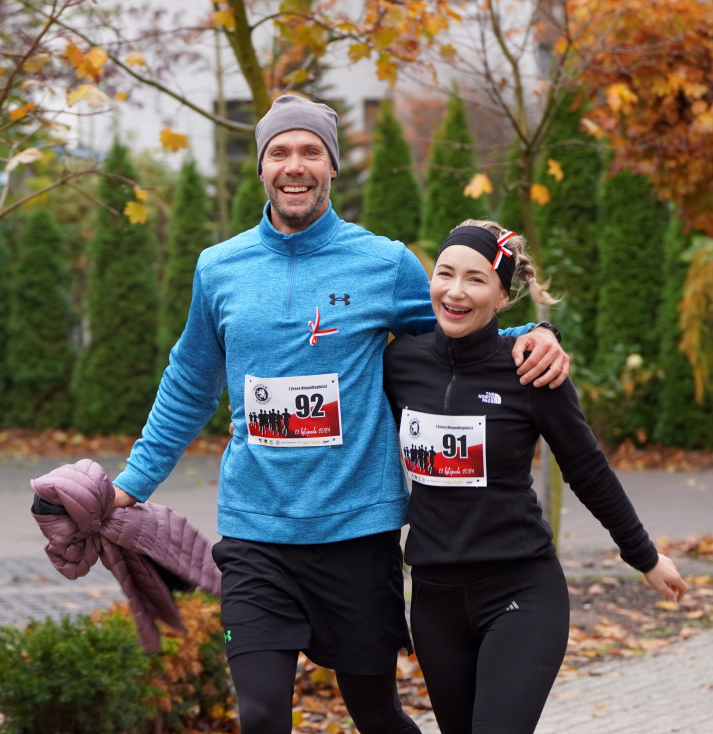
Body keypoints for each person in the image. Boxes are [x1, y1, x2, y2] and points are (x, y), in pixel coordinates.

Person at [109, 95, 567, 734]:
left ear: (331, 167)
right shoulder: (219, 268)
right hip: (255, 531)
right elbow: (190, 381)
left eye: (310, 152)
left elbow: (459, 329)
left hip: (357, 534)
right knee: (263, 713)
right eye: (280, 153)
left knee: (376, 713)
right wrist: (131, 484)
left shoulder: (382, 263)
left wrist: (533, 334)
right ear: (262, 168)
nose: (294, 166)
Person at [382, 220, 687, 734]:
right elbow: (349, 430)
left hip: (520, 590)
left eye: (476, 280)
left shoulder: (530, 371)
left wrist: (645, 556)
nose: (456, 291)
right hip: (434, 599)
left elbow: (587, 469)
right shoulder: (400, 364)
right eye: (445, 274)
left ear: (503, 296)